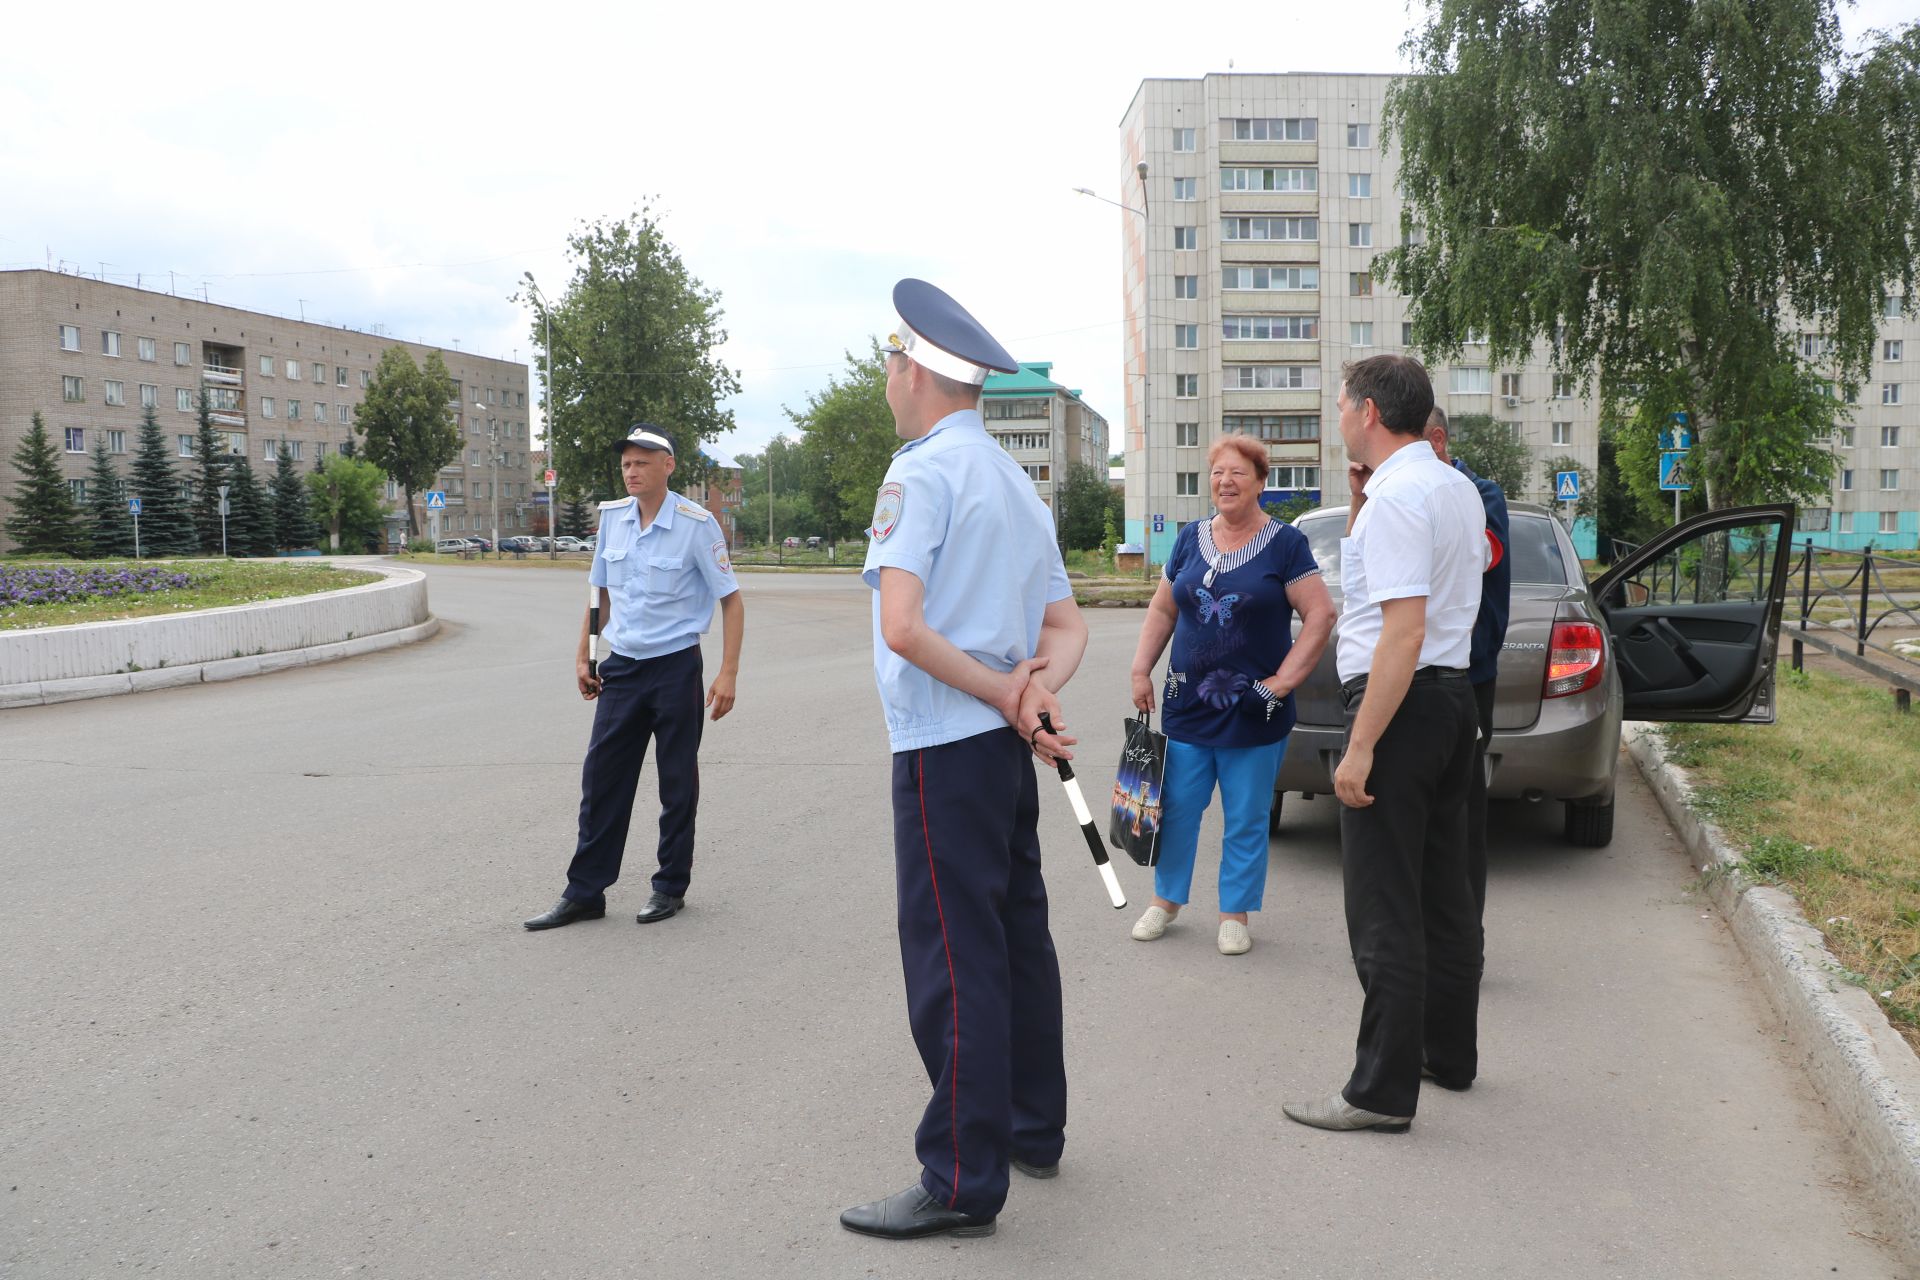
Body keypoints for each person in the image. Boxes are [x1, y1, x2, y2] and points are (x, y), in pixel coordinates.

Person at [839, 279, 1089, 1242]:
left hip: (945, 747)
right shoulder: (1015, 484)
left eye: (891, 364)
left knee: (955, 960)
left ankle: (958, 1177)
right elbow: (1064, 630)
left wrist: (999, 691)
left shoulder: (923, 474)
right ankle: (1033, 1126)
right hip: (998, 754)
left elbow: (903, 628)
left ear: (914, 372)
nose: (889, 380)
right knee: (1018, 936)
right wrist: (1030, 690)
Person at [1283, 355, 1487, 1134]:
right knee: (1443, 890)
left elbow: (1401, 631)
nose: (1336, 416)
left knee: (1383, 905)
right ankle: (1447, 1055)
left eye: (1340, 404)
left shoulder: (1400, 495)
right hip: (1449, 703)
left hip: (1398, 706)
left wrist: (1361, 744)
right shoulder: (1449, 483)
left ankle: (1377, 1093)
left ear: (1368, 412)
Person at [522, 425, 745, 931]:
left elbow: (731, 599)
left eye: (642, 461)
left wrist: (728, 672)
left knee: (676, 782)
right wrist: (584, 654)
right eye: (626, 463)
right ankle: (585, 892)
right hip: (622, 666)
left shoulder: (697, 523)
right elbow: (598, 592)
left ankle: (669, 885)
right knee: (602, 781)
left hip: (674, 665)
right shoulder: (613, 520)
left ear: (669, 465)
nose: (631, 470)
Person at [1124, 433, 1334, 955]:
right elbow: (1163, 609)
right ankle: (1166, 900)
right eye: (1218, 472)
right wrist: (1139, 668)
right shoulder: (1190, 538)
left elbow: (1320, 615)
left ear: (1261, 481)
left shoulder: (1286, 543)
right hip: (1187, 703)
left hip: (1254, 707)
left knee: (1245, 813)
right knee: (1176, 805)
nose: (1225, 481)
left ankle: (1234, 913)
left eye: (1238, 473)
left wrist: (1282, 683)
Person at [1426, 407, 1510, 918]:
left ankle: (1463, 937)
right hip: (1418, 673)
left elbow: (1479, 558)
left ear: (1437, 440)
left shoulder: (1480, 495)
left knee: (1460, 810)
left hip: (1468, 674)